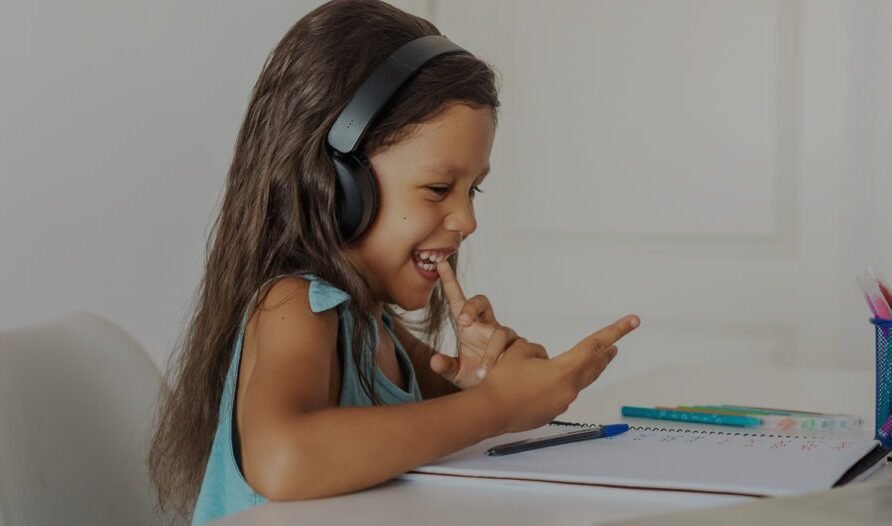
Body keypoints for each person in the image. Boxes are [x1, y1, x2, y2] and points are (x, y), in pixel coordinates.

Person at [148, 1, 640, 524]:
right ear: (336, 184)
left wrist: (479, 383)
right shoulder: (293, 304)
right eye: (438, 188)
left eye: (472, 190)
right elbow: (283, 460)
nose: (467, 220)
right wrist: (495, 406)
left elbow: (429, 429)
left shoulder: (374, 328)